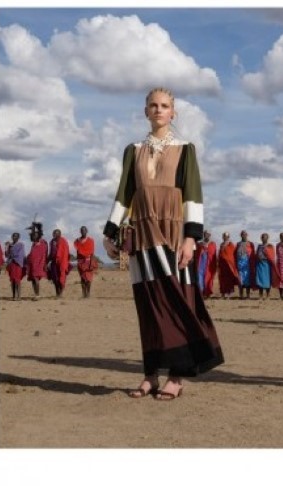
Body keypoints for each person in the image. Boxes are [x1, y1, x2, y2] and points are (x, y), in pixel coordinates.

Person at [102, 86, 224, 400]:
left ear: (173, 112)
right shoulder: (133, 149)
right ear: (146, 111)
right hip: (142, 234)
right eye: (153, 105)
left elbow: (194, 195)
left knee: (176, 301)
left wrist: (190, 238)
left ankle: (178, 375)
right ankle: (150, 374)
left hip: (173, 234)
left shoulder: (186, 149)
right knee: (149, 305)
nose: (159, 110)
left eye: (165, 105)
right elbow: (125, 193)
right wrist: (111, 233)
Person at [25, 222, 48, 301]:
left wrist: (35, 227)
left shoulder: (43, 242)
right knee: (32, 279)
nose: (34, 236)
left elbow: (45, 254)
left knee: (35, 278)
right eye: (33, 235)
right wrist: (33, 228)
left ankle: (38, 295)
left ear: (39, 235)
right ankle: (35, 294)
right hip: (32, 263)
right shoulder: (34, 243)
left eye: (35, 235)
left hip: (39, 263)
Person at [254, 233, 279, 300]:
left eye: (265, 237)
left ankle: (268, 295)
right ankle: (260, 295)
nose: (264, 238)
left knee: (267, 281)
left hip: (267, 265)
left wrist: (265, 258)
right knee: (259, 280)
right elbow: (256, 254)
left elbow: (272, 256)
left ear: (267, 238)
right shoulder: (259, 246)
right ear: (261, 238)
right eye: (262, 237)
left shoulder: (270, 246)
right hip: (259, 265)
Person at [48, 228, 71, 298]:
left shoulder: (63, 241)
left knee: (61, 278)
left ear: (60, 234)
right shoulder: (52, 242)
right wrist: (47, 261)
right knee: (55, 279)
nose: (54, 234)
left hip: (62, 262)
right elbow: (51, 253)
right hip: (54, 262)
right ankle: (57, 293)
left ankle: (60, 293)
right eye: (53, 233)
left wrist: (63, 260)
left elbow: (66, 253)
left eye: (56, 233)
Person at [74, 226, 96, 298]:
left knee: (88, 279)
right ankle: (84, 294)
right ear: (80, 231)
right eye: (82, 230)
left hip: (88, 261)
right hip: (80, 262)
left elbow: (92, 252)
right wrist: (78, 261)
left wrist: (91, 263)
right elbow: (78, 252)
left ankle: (88, 294)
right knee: (82, 278)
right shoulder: (77, 241)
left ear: (87, 231)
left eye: (84, 230)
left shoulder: (90, 241)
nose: (83, 232)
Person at [195, 230, 217, 298]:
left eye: (208, 234)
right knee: (200, 279)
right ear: (204, 235)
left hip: (209, 264)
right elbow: (196, 254)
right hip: (200, 264)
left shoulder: (213, 244)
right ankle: (201, 293)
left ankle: (207, 293)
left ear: (210, 235)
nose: (207, 235)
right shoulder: (200, 244)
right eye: (205, 234)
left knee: (208, 279)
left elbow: (214, 255)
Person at [235, 230, 256, 300]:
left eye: (245, 234)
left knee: (247, 280)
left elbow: (253, 254)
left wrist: (252, 264)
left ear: (247, 235)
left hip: (247, 264)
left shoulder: (250, 244)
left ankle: (248, 295)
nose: (244, 236)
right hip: (239, 264)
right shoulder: (238, 244)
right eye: (243, 234)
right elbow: (235, 254)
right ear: (241, 235)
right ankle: (241, 295)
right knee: (240, 280)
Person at [217, 232, 239, 298]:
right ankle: (223, 293)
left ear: (228, 237)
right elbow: (220, 253)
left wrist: (231, 262)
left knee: (229, 279)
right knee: (222, 279)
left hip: (229, 265)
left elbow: (233, 254)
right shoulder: (221, 244)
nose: (225, 237)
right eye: (224, 236)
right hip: (222, 265)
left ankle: (229, 294)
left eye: (226, 236)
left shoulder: (231, 244)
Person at [4, 233, 25, 301]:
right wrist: (6, 247)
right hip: (11, 264)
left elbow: (21, 255)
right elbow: (7, 255)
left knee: (17, 280)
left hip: (18, 264)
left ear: (18, 237)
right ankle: (14, 296)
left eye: (16, 236)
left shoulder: (21, 245)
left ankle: (19, 296)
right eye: (13, 236)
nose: (14, 237)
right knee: (12, 280)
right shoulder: (10, 245)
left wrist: (13, 257)